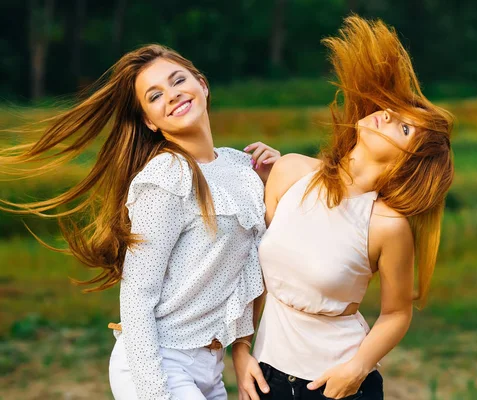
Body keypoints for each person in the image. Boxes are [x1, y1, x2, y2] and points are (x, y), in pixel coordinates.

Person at [0, 44, 279, 400]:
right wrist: (154, 391)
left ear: (203, 85)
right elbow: (136, 297)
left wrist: (275, 179)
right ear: (149, 120)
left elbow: (250, 268)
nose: (172, 94)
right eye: (155, 95)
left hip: (211, 366)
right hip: (160, 361)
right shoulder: (166, 177)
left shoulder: (241, 167)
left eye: (178, 80)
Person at [232, 16, 454, 400]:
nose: (387, 114)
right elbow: (253, 274)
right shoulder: (289, 172)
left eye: (403, 129)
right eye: (396, 111)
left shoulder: (387, 226)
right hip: (265, 375)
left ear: (407, 164)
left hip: (341, 385)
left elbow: (396, 314)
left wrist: (358, 368)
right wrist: (240, 350)